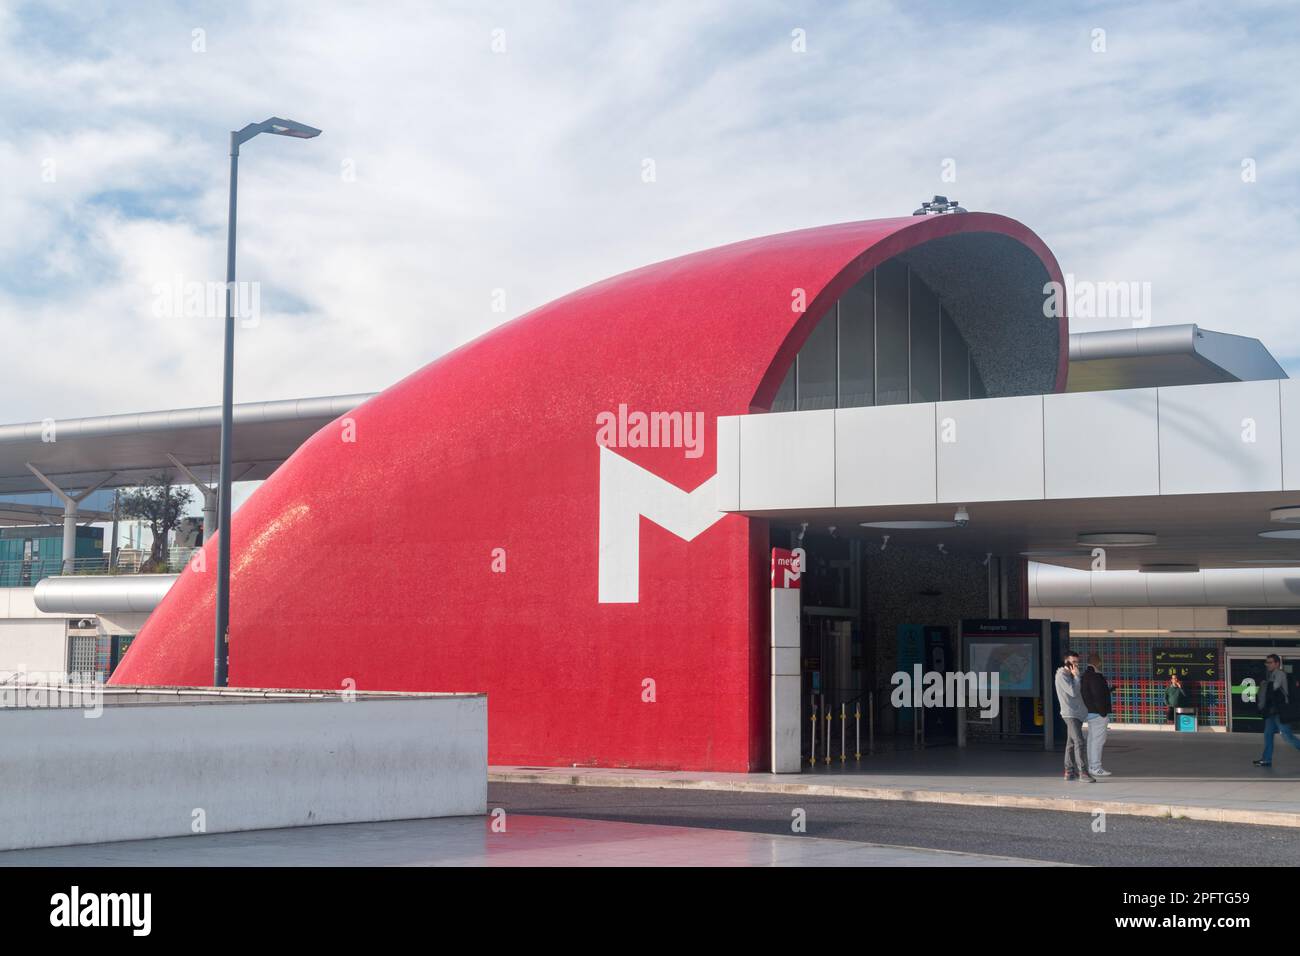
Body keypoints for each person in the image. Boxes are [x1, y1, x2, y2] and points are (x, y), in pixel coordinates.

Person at [1253, 654, 1300, 767]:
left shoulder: (1280, 673)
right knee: (1268, 734)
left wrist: (1264, 684)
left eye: (1270, 662)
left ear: (1277, 663)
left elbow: (1275, 686)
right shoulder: (1271, 674)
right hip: (1272, 711)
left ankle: (1266, 759)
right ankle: (1266, 759)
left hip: (1280, 711)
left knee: (1287, 736)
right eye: (1267, 662)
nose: (1267, 664)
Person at [1055, 650, 1095, 782]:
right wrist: (1077, 677)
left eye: (1078, 662)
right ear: (1067, 662)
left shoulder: (1071, 675)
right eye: (1074, 662)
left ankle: (1069, 771)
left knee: (1071, 743)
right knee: (1079, 741)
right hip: (1070, 713)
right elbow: (1072, 692)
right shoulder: (1062, 675)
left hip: (1077, 713)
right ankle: (1082, 772)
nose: (1076, 665)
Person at [1081, 653, 1112, 777]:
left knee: (1092, 740)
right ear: (1097, 662)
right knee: (1098, 741)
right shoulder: (1096, 676)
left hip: (1089, 712)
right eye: (1100, 662)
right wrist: (1103, 712)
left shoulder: (1085, 675)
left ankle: (1092, 766)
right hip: (1097, 713)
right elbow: (1097, 695)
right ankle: (1095, 766)